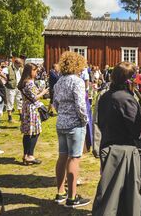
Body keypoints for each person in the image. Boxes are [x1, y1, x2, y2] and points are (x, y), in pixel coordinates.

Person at [53, 51, 90, 208]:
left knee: (62, 157)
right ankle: (72, 197)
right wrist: (85, 120)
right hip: (75, 124)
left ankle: (60, 192)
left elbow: (55, 103)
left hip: (61, 123)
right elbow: (81, 105)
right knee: (74, 158)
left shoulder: (59, 81)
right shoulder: (78, 81)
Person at [97, 62, 141, 151]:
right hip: (125, 150)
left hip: (107, 147)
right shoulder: (126, 99)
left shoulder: (105, 96)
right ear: (129, 81)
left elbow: (100, 123)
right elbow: (137, 129)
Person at [18, 63, 49, 165]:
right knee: (34, 132)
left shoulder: (24, 82)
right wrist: (44, 92)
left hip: (26, 108)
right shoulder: (29, 83)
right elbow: (34, 97)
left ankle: (26, 155)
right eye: (35, 70)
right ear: (29, 71)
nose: (36, 72)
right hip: (32, 109)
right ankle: (30, 155)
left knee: (28, 133)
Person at [5, 58, 23, 123]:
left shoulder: (20, 69)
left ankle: (21, 116)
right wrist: (7, 81)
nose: (20, 66)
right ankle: (10, 117)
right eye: (19, 65)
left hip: (19, 87)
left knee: (20, 101)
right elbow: (2, 75)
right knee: (10, 102)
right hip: (11, 88)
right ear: (15, 63)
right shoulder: (8, 68)